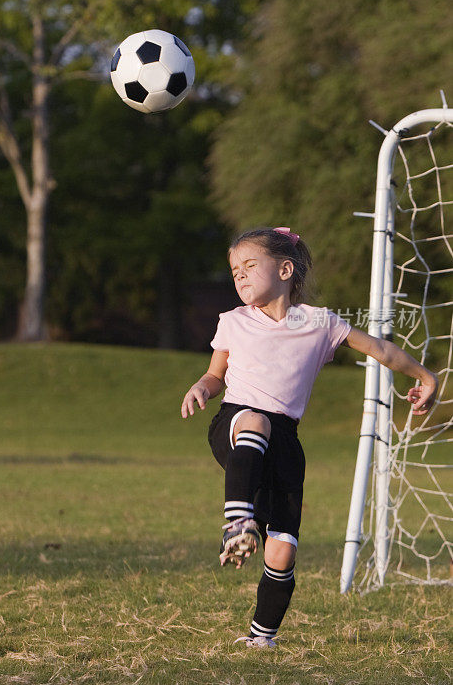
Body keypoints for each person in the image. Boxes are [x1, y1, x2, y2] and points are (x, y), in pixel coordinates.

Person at [180, 226, 438, 649]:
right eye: (234, 270)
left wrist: (425, 376)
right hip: (236, 423)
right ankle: (237, 523)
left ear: (284, 269)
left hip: (285, 441)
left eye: (249, 266)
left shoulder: (320, 323)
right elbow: (215, 373)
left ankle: (262, 638)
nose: (239, 276)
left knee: (282, 551)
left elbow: (382, 351)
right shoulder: (233, 321)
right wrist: (201, 389)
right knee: (256, 423)